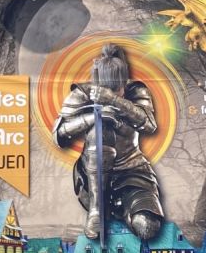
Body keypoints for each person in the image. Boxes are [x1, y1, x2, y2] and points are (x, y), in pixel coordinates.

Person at [54, 42, 165, 242]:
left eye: (119, 89)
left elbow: (149, 125)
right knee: (101, 128)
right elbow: (59, 134)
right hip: (92, 172)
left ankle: (123, 211)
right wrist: (95, 117)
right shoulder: (82, 93)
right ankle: (96, 210)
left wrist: (115, 101)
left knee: (147, 227)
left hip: (132, 169)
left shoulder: (136, 91)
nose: (116, 92)